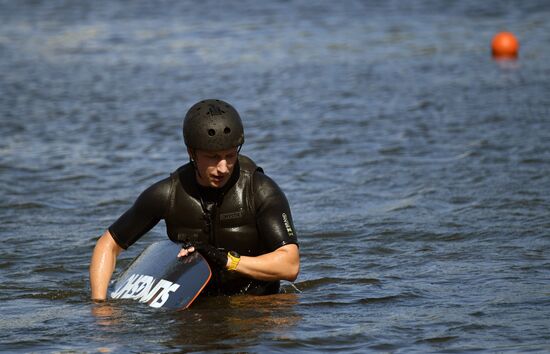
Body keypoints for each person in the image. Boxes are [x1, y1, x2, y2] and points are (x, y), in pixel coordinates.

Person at [90, 99, 300, 300]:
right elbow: (108, 245)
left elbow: (290, 265)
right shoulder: (167, 194)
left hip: (255, 301)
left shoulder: (261, 189)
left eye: (230, 155)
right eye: (213, 157)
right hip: (197, 303)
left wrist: (228, 260)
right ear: (191, 152)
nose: (223, 167)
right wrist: (100, 307)